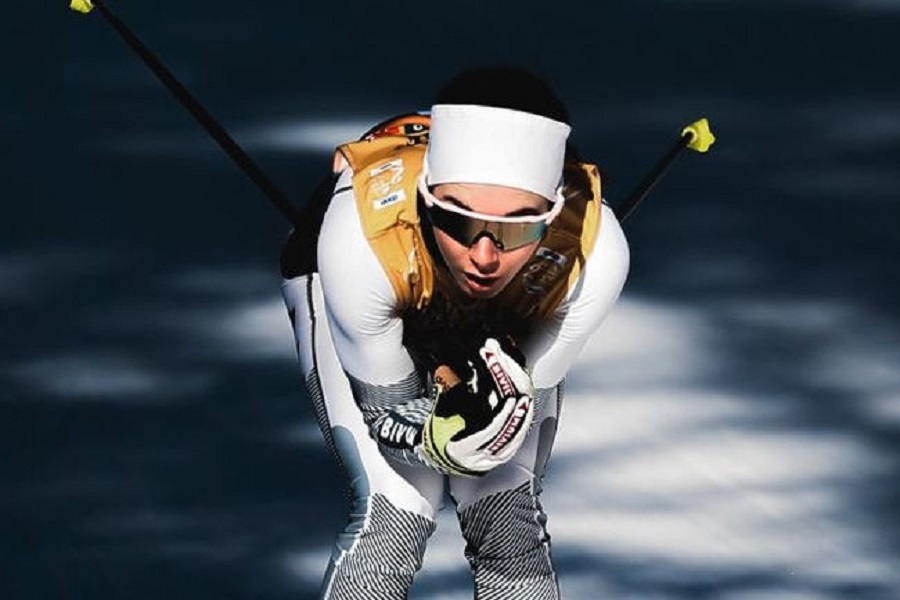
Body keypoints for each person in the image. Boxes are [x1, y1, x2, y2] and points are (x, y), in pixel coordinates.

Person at [280, 66, 629, 599]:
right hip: (377, 277)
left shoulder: (595, 255)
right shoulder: (358, 240)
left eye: (519, 225)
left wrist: (486, 420)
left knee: (504, 507)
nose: (485, 255)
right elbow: (386, 412)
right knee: (398, 508)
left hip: (509, 313)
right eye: (458, 220)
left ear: (555, 212)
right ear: (425, 196)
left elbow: (522, 395)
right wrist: (435, 441)